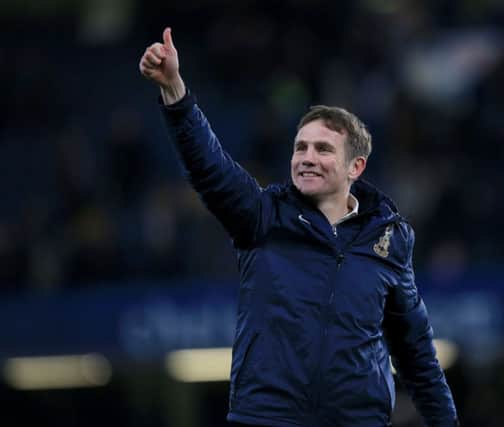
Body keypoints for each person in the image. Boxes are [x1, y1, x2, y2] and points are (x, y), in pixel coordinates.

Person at [139, 27, 459, 427]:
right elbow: (210, 167)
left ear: (354, 167)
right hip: (267, 419)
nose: (307, 157)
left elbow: (416, 355)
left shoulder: (389, 240)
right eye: (300, 147)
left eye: (323, 149)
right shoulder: (263, 216)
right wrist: (176, 93)